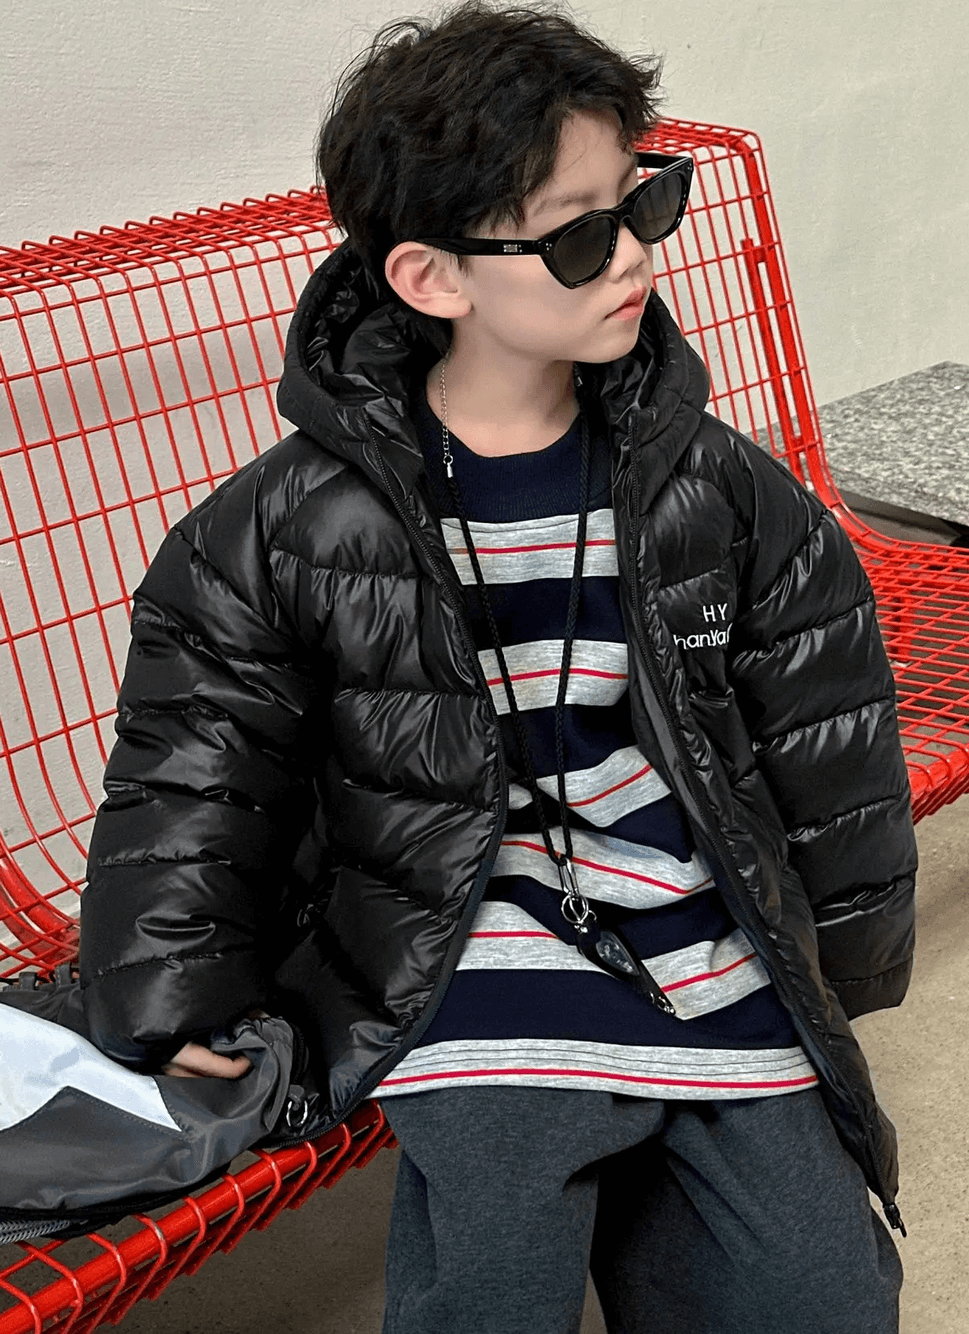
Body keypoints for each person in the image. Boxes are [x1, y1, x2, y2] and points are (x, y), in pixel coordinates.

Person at [78, 2, 918, 1330]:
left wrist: (846, 961)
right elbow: (195, 772)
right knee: (494, 1282)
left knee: (819, 1294)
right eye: (579, 234)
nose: (634, 256)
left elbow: (828, 723)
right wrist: (170, 995)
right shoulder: (282, 528)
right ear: (432, 279)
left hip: (700, 931)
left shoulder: (719, 490)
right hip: (451, 933)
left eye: (645, 203)